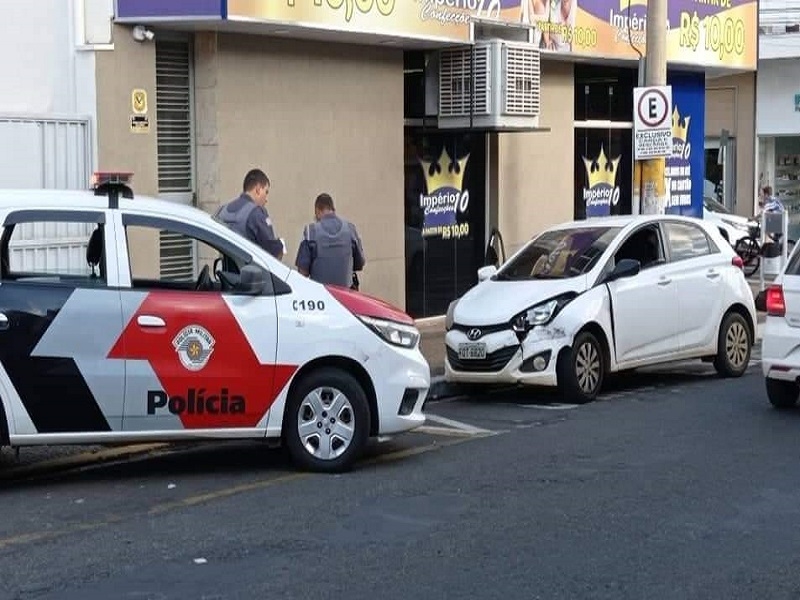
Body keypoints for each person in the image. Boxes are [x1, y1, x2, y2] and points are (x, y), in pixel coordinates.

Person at [295, 193, 365, 289]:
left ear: (317, 210)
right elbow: (360, 263)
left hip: (320, 297)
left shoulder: (310, 232)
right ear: (333, 209)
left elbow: (302, 272)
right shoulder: (350, 229)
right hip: (346, 295)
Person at [216, 168, 284, 260]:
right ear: (258, 189)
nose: (266, 199)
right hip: (251, 272)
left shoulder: (222, 211)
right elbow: (272, 253)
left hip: (226, 272)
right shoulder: (256, 213)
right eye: (266, 192)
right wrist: (281, 245)